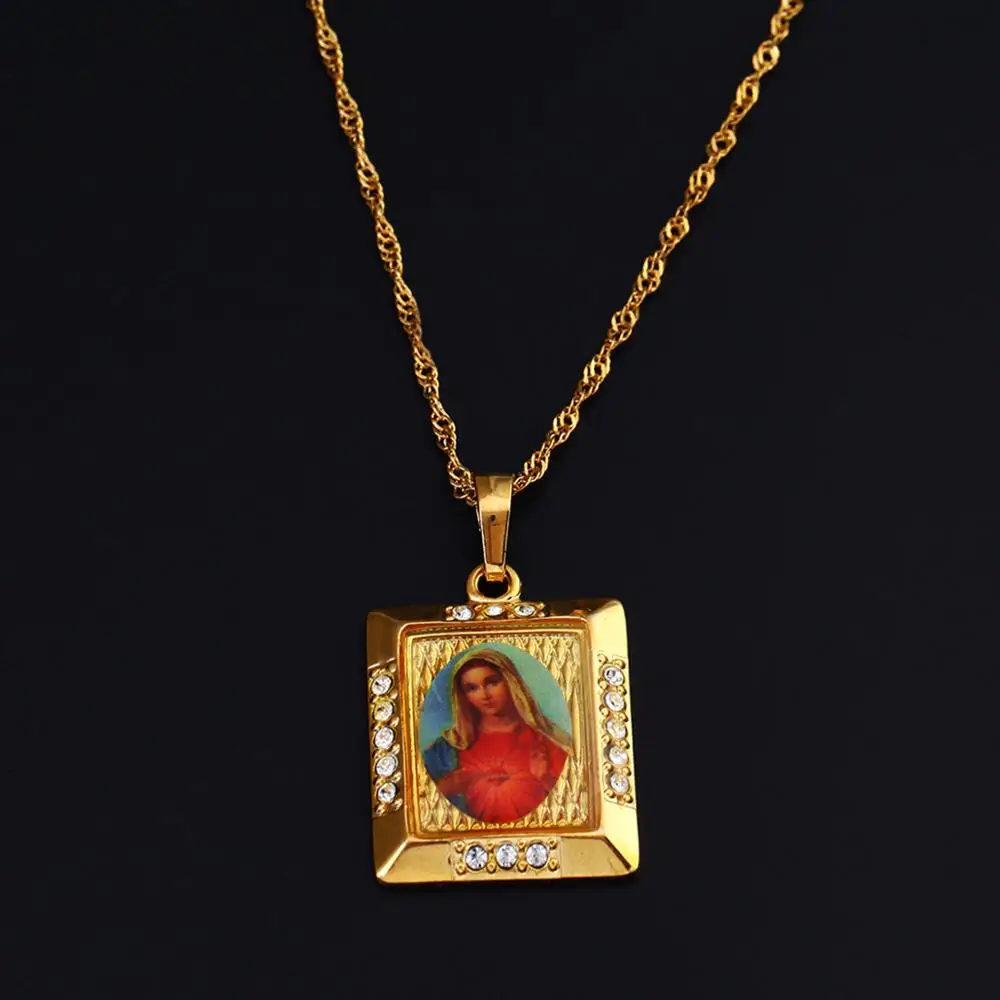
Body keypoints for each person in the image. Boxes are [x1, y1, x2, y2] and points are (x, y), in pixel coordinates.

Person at [423, 648, 572, 823]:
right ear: (463, 696)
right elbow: (424, 799)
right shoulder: (448, 747)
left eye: (492, 683)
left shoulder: (545, 739)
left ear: (510, 682)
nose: (485, 695)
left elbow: (572, 797)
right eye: (472, 688)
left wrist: (543, 779)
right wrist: (447, 786)